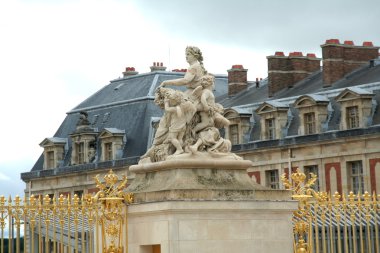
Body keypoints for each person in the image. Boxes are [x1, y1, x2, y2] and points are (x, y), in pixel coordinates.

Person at [163, 89, 196, 155]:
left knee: (172, 138)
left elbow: (167, 109)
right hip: (183, 125)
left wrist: (166, 102)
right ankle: (180, 149)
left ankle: (179, 149)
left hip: (176, 126)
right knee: (180, 138)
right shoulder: (183, 107)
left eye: (171, 100)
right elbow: (193, 109)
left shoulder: (175, 108)